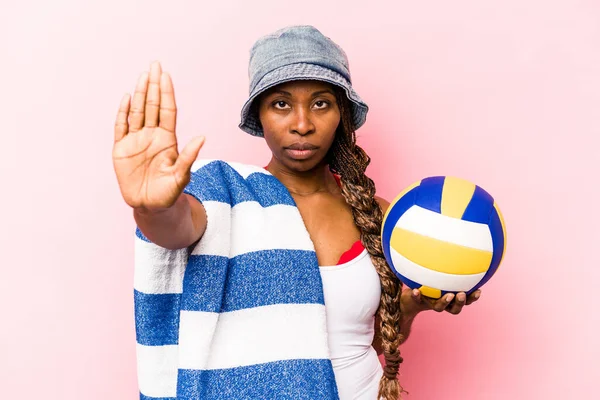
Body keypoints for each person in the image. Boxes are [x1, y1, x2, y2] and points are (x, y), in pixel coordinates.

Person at [113, 25, 481, 400]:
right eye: (281, 104)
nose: (302, 124)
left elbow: (358, 340)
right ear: (261, 115)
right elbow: (173, 227)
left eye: (321, 103)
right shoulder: (228, 199)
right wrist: (153, 206)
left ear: (342, 115)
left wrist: (411, 304)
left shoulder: (377, 215)